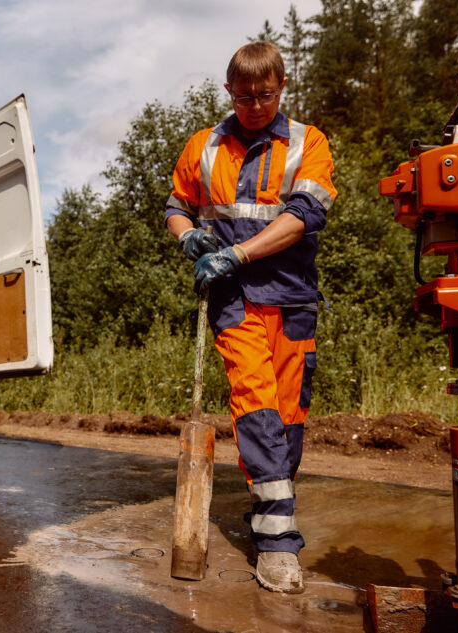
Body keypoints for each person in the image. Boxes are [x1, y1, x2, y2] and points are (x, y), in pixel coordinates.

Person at [165, 41, 336, 592]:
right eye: (243, 97)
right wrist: (188, 234)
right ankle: (278, 546)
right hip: (233, 300)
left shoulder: (308, 143)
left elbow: (305, 217)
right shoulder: (204, 146)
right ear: (228, 91)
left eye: (265, 95)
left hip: (290, 299)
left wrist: (236, 252)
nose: (255, 106)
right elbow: (175, 205)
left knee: (287, 420)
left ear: (282, 86)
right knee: (256, 405)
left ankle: (271, 509)